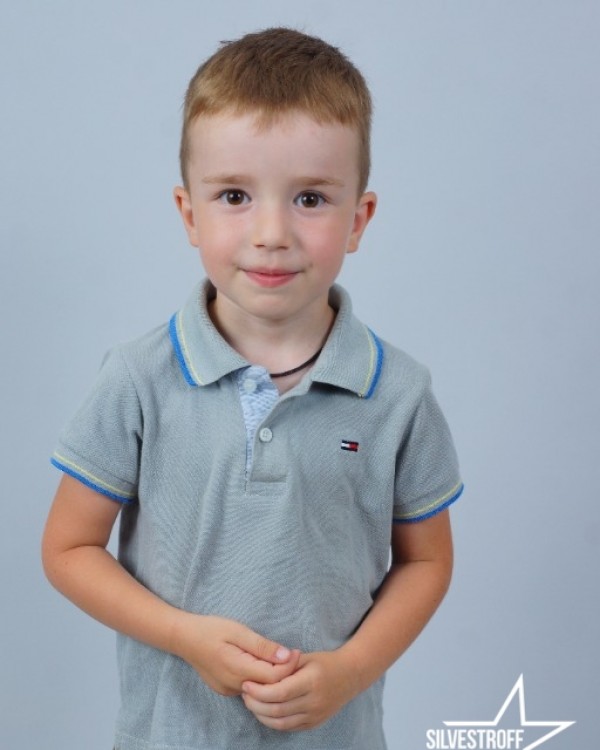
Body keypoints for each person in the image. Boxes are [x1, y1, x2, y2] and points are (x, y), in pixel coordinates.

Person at [42, 27, 463, 750]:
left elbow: (427, 560)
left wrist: (352, 669)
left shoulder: (399, 393)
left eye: (310, 198)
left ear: (358, 219)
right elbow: (68, 548)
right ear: (189, 214)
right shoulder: (138, 379)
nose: (272, 232)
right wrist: (183, 635)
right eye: (234, 195)